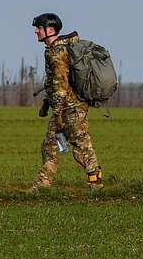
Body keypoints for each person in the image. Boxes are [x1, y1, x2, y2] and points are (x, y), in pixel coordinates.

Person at [31, 13, 103, 189]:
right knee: (51, 145)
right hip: (67, 107)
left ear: (50, 29)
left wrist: (56, 112)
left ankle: (96, 184)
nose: (35, 31)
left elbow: (60, 85)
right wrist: (47, 104)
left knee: (81, 148)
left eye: (39, 28)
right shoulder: (55, 49)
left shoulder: (57, 52)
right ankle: (42, 185)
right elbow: (55, 85)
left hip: (71, 108)